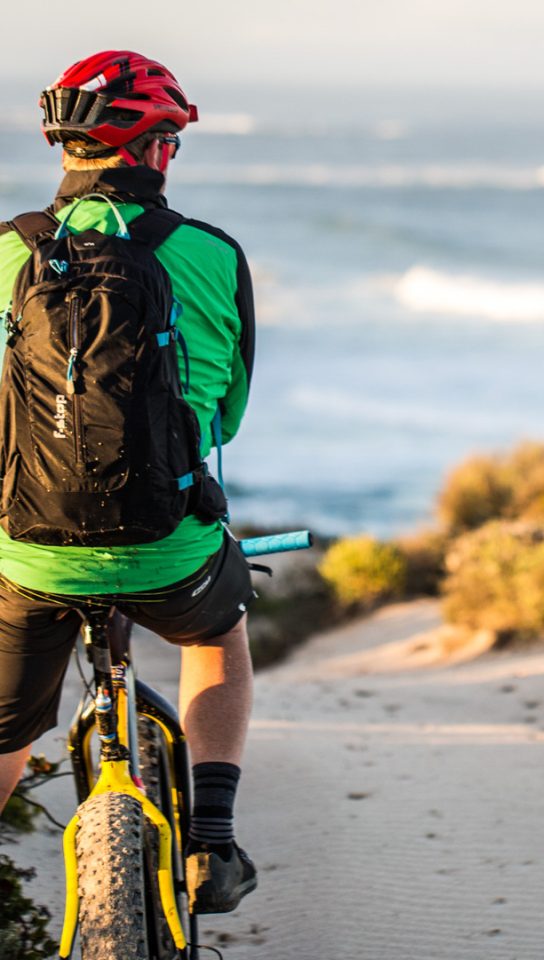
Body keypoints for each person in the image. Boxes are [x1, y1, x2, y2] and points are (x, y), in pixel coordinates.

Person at [0, 51, 257, 914]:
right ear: (153, 151)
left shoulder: (6, 254)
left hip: (29, 557)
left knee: (3, 726)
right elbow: (224, 416)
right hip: (168, 550)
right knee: (218, 633)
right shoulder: (212, 256)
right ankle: (213, 843)